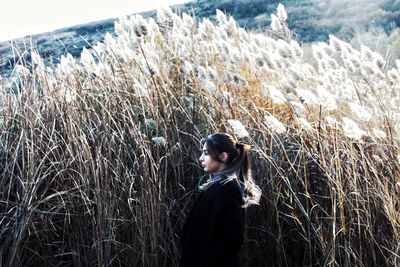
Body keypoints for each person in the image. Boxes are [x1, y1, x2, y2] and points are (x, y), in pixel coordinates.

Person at [180, 133, 262, 267]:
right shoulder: (217, 187)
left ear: (223, 157)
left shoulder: (226, 189)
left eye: (206, 153)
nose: (201, 158)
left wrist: (205, 262)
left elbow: (232, 238)